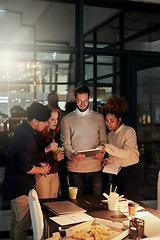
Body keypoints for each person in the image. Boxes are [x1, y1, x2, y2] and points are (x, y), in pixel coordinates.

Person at [2, 102, 52, 240]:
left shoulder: (22, 130)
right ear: (35, 121)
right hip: (20, 187)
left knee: (16, 222)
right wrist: (42, 169)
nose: (46, 125)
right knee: (22, 225)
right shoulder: (27, 136)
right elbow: (25, 166)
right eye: (45, 122)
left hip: (14, 184)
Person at [61, 83, 107, 196]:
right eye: (79, 101)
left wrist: (102, 151)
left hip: (96, 168)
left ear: (89, 98)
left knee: (95, 205)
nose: (82, 104)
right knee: (77, 206)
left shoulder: (99, 118)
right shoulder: (66, 119)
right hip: (75, 169)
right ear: (75, 98)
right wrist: (72, 155)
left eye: (85, 100)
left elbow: (104, 142)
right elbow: (65, 144)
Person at [103, 96, 142, 198]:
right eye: (106, 121)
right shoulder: (110, 134)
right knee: (117, 203)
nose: (108, 124)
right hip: (117, 172)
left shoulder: (129, 131)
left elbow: (126, 153)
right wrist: (108, 160)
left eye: (111, 121)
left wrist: (108, 147)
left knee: (130, 202)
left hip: (131, 172)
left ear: (119, 120)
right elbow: (114, 155)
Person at [35, 105, 64, 199]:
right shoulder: (38, 135)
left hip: (55, 173)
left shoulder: (55, 135)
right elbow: (33, 157)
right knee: (43, 206)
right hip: (42, 174)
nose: (55, 122)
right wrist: (46, 149)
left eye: (57, 119)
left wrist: (59, 156)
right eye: (52, 119)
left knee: (53, 205)